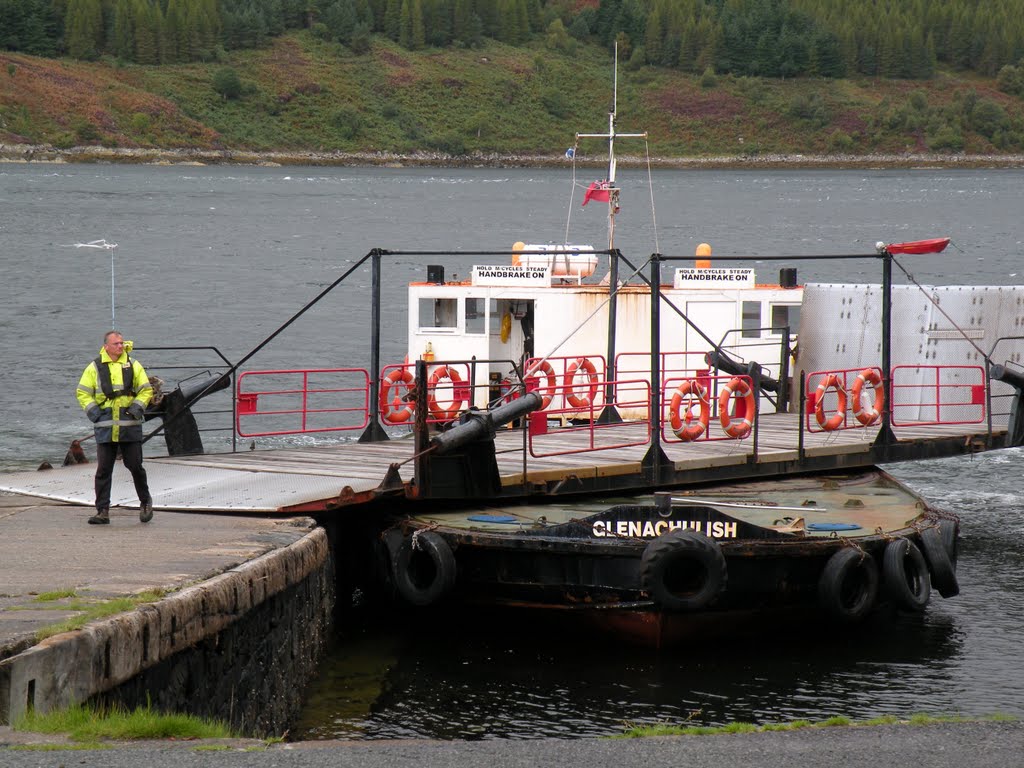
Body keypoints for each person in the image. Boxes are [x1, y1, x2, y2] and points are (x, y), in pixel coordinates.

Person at [76, 331, 155, 525]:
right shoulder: (94, 367)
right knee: (103, 470)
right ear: (106, 347)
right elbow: (83, 392)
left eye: (122, 343)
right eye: (116, 344)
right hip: (105, 426)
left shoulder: (133, 365)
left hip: (130, 425)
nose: (121, 346)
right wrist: (95, 414)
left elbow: (146, 390)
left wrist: (136, 409)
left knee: (135, 466)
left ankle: (145, 502)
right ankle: (102, 511)